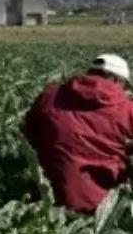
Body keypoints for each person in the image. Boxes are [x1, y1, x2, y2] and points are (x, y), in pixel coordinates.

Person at [22, 53, 133, 214]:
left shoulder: (49, 96)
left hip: (48, 201)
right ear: (118, 81)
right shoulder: (127, 109)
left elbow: (28, 135)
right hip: (104, 209)